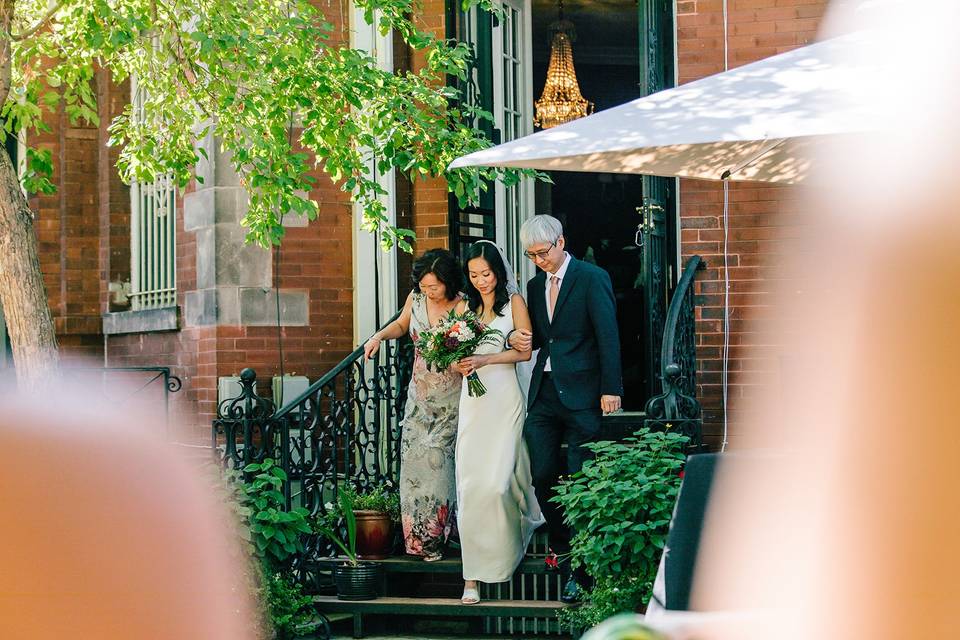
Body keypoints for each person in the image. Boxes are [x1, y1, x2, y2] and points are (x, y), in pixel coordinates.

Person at [508, 214, 623, 603]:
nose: (539, 260)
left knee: (580, 479)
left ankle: (582, 569)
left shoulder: (592, 277)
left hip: (585, 392)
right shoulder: (534, 284)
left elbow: (607, 334)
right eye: (531, 255)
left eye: (542, 252)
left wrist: (611, 388)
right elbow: (541, 336)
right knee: (542, 472)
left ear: (561, 241)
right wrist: (512, 334)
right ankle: (561, 544)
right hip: (545, 392)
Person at [452, 240, 545, 605]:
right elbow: (450, 352)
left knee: (497, 482)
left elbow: (524, 352)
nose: (481, 281)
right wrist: (458, 362)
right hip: (473, 403)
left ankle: (508, 545)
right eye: (474, 275)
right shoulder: (464, 306)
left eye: (486, 274)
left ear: (499, 271)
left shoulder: (515, 303)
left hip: (504, 398)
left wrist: (485, 360)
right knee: (471, 486)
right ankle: (471, 577)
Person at [364, 248, 463, 561]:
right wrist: (379, 336)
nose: (429, 291)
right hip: (419, 398)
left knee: (440, 463)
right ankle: (416, 540)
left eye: (434, 286)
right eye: (424, 286)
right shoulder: (416, 300)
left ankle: (441, 536)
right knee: (414, 466)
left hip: (451, 397)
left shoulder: (462, 305)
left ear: (448, 282)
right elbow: (402, 325)